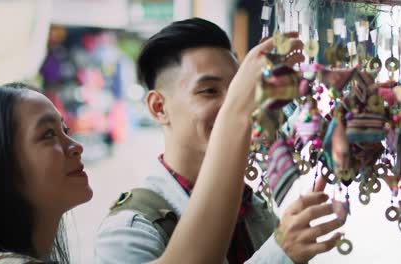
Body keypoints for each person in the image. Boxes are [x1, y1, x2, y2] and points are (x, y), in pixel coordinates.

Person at [0, 28, 290, 264]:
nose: (76, 146)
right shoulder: (131, 227)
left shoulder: (254, 207)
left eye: (64, 129)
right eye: (47, 135)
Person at [95, 18, 344, 264]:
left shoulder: (253, 209)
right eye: (210, 91)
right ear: (159, 107)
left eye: (238, 89)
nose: (234, 105)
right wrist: (280, 254)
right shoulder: (130, 231)